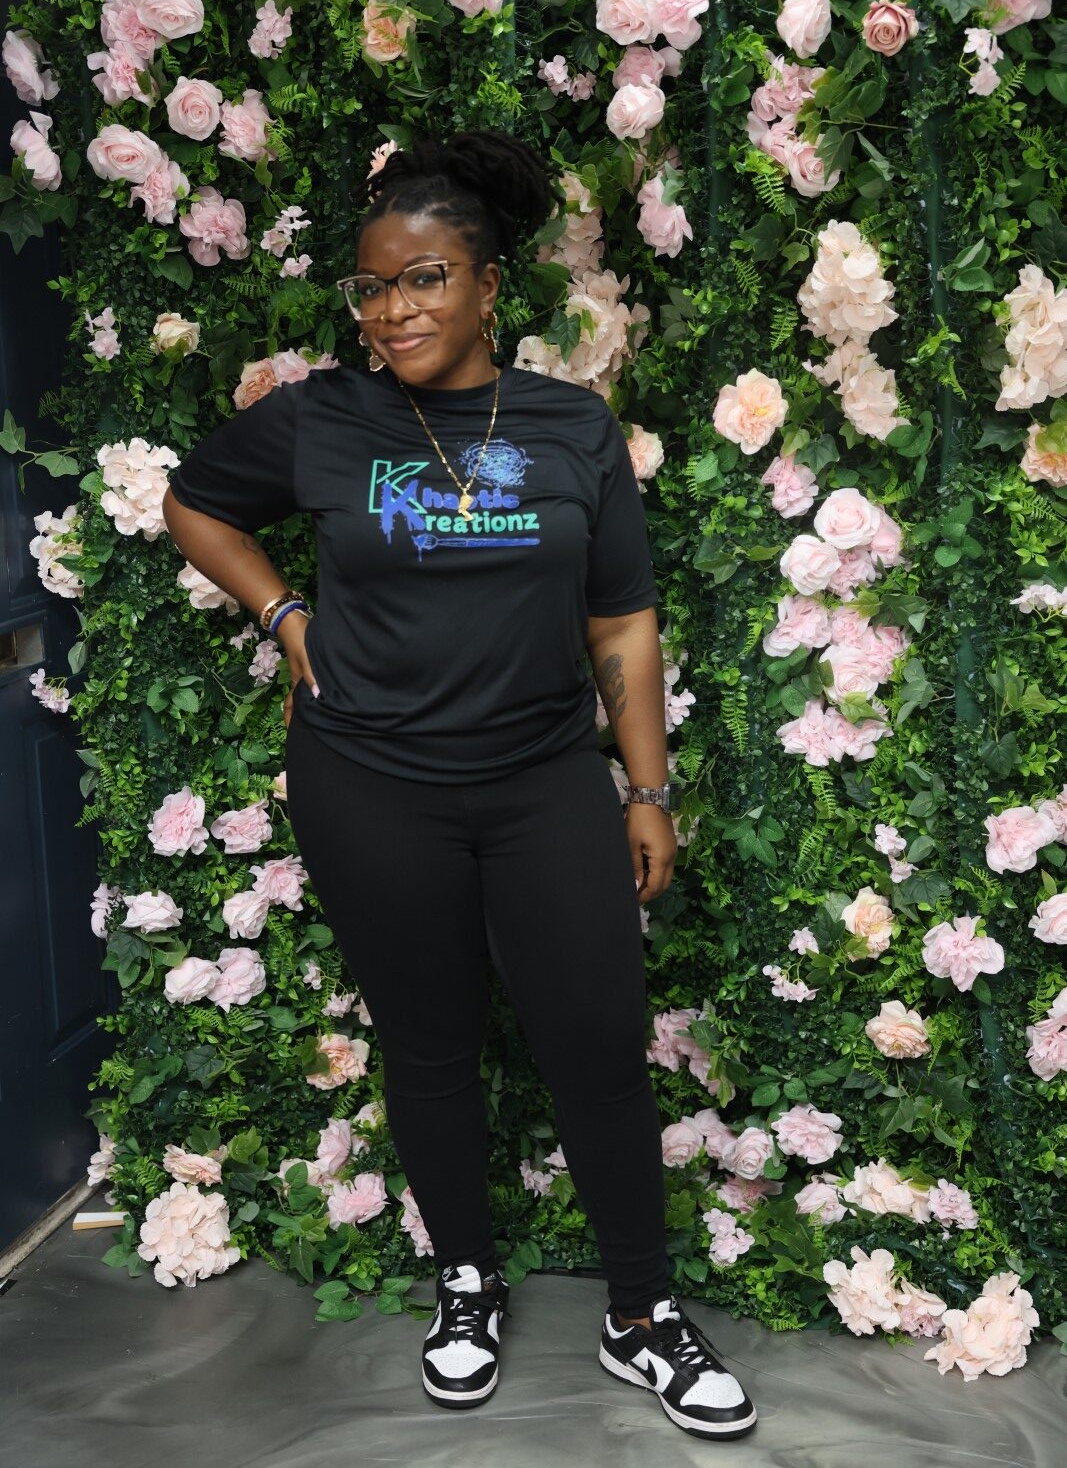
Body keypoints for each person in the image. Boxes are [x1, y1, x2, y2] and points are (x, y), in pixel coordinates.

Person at [162, 128, 756, 1442]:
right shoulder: (321, 417)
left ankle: (642, 1313)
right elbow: (193, 503)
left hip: (543, 781)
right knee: (430, 1046)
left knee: (595, 1047)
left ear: (488, 285)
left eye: (424, 278)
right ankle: (467, 1285)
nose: (394, 311)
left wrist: (645, 790)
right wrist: (281, 614)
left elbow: (621, 618)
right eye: (372, 288)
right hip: (370, 784)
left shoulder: (571, 428)